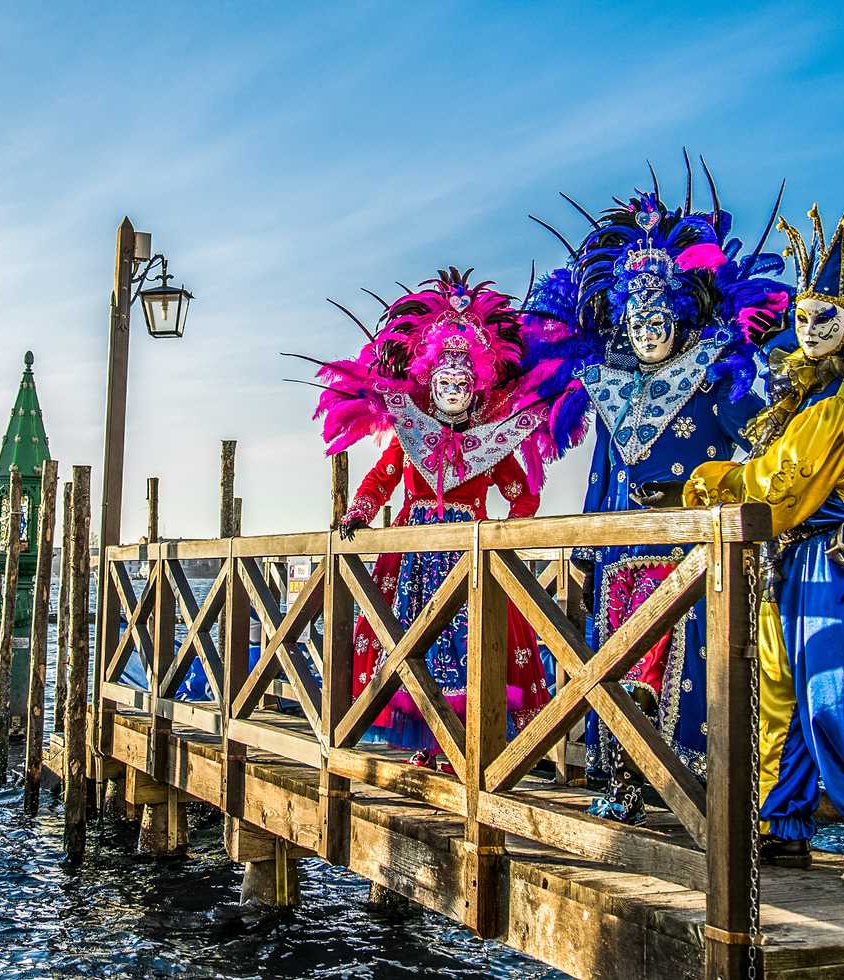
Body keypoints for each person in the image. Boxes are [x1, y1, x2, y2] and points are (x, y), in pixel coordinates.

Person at [683, 206, 844, 888]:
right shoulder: (809, 389)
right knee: (782, 695)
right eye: (801, 317)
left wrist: (711, 481)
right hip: (794, 556)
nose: (809, 329)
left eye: (825, 317)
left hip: (842, 556)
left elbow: (784, 483)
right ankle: (783, 820)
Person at [523, 170, 791, 824]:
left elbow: (764, 440)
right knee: (613, 667)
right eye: (637, 322)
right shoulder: (611, 388)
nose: (647, 332)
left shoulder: (711, 379)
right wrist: (588, 543)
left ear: (680, 318)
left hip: (690, 556)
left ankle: (694, 793)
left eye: (659, 320)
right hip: (619, 555)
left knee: (679, 672)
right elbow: (601, 475)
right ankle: (622, 786)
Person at [309, 268, 559, 768]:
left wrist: (502, 536)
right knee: (409, 643)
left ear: (476, 386)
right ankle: (427, 743)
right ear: (431, 381)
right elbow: (381, 480)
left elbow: (522, 495)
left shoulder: (491, 443)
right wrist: (358, 512)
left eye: (462, 384)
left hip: (470, 556)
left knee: (469, 646)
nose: (453, 391)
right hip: (414, 559)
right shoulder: (410, 435)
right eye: (445, 382)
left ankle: (460, 747)